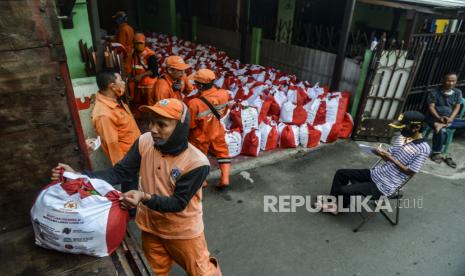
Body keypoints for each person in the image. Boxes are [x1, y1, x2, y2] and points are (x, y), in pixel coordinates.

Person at [52, 98, 221, 276]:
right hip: (150, 228)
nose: (153, 129)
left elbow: (178, 203)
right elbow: (120, 172)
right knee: (154, 271)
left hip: (183, 233)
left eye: (162, 125)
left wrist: (144, 197)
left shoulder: (197, 163)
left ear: (180, 128)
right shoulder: (144, 142)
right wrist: (79, 175)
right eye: (151, 122)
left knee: (201, 272)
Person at [319, 111, 431, 214]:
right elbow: (389, 155)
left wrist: (391, 159)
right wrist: (380, 153)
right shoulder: (402, 138)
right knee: (341, 173)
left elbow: (410, 172)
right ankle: (334, 201)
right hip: (376, 173)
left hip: (385, 185)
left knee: (345, 190)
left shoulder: (423, 149)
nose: (400, 130)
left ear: (416, 128)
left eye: (403, 127)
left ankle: (337, 207)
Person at [91, 70, 141, 191]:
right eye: (121, 80)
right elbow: (112, 145)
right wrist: (124, 171)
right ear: (112, 86)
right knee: (131, 193)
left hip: (136, 156)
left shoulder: (116, 100)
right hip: (128, 163)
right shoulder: (104, 114)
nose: (124, 82)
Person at [187, 69, 231, 189]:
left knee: (199, 157)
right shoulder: (224, 94)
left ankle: (203, 181)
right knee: (223, 153)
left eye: (196, 83)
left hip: (200, 135)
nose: (195, 85)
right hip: (217, 130)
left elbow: (191, 125)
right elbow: (225, 112)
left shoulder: (194, 103)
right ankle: (225, 178)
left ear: (200, 86)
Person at [425, 72, 465, 167]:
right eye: (448, 80)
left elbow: (457, 107)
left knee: (445, 126)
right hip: (434, 117)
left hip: (449, 119)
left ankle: (443, 125)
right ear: (442, 80)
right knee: (441, 131)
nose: (451, 83)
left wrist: (450, 118)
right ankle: (436, 153)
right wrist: (439, 117)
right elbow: (431, 107)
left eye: (453, 81)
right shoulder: (434, 92)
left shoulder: (457, 92)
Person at [126, 33, 158, 118]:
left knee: (150, 105)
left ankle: (151, 120)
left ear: (145, 43)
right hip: (139, 84)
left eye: (141, 43)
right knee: (138, 103)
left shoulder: (150, 55)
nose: (139, 45)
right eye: (137, 43)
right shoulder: (133, 53)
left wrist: (141, 76)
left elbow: (154, 70)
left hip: (149, 85)